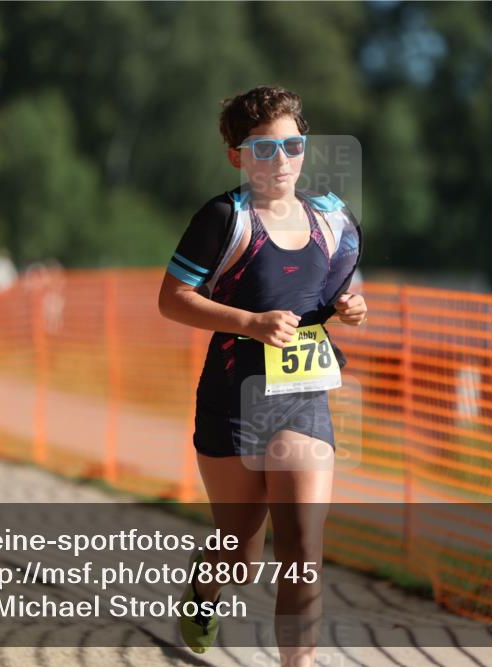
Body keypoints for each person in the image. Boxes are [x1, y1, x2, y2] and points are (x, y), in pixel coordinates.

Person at [157, 85, 367, 665]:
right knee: (241, 556)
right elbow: (173, 300)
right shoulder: (224, 218)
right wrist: (249, 322)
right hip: (232, 400)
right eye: (263, 149)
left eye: (292, 146)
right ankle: (204, 595)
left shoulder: (332, 219)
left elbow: (338, 292)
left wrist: (352, 307)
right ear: (237, 156)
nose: (280, 161)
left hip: (302, 402)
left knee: (303, 550)